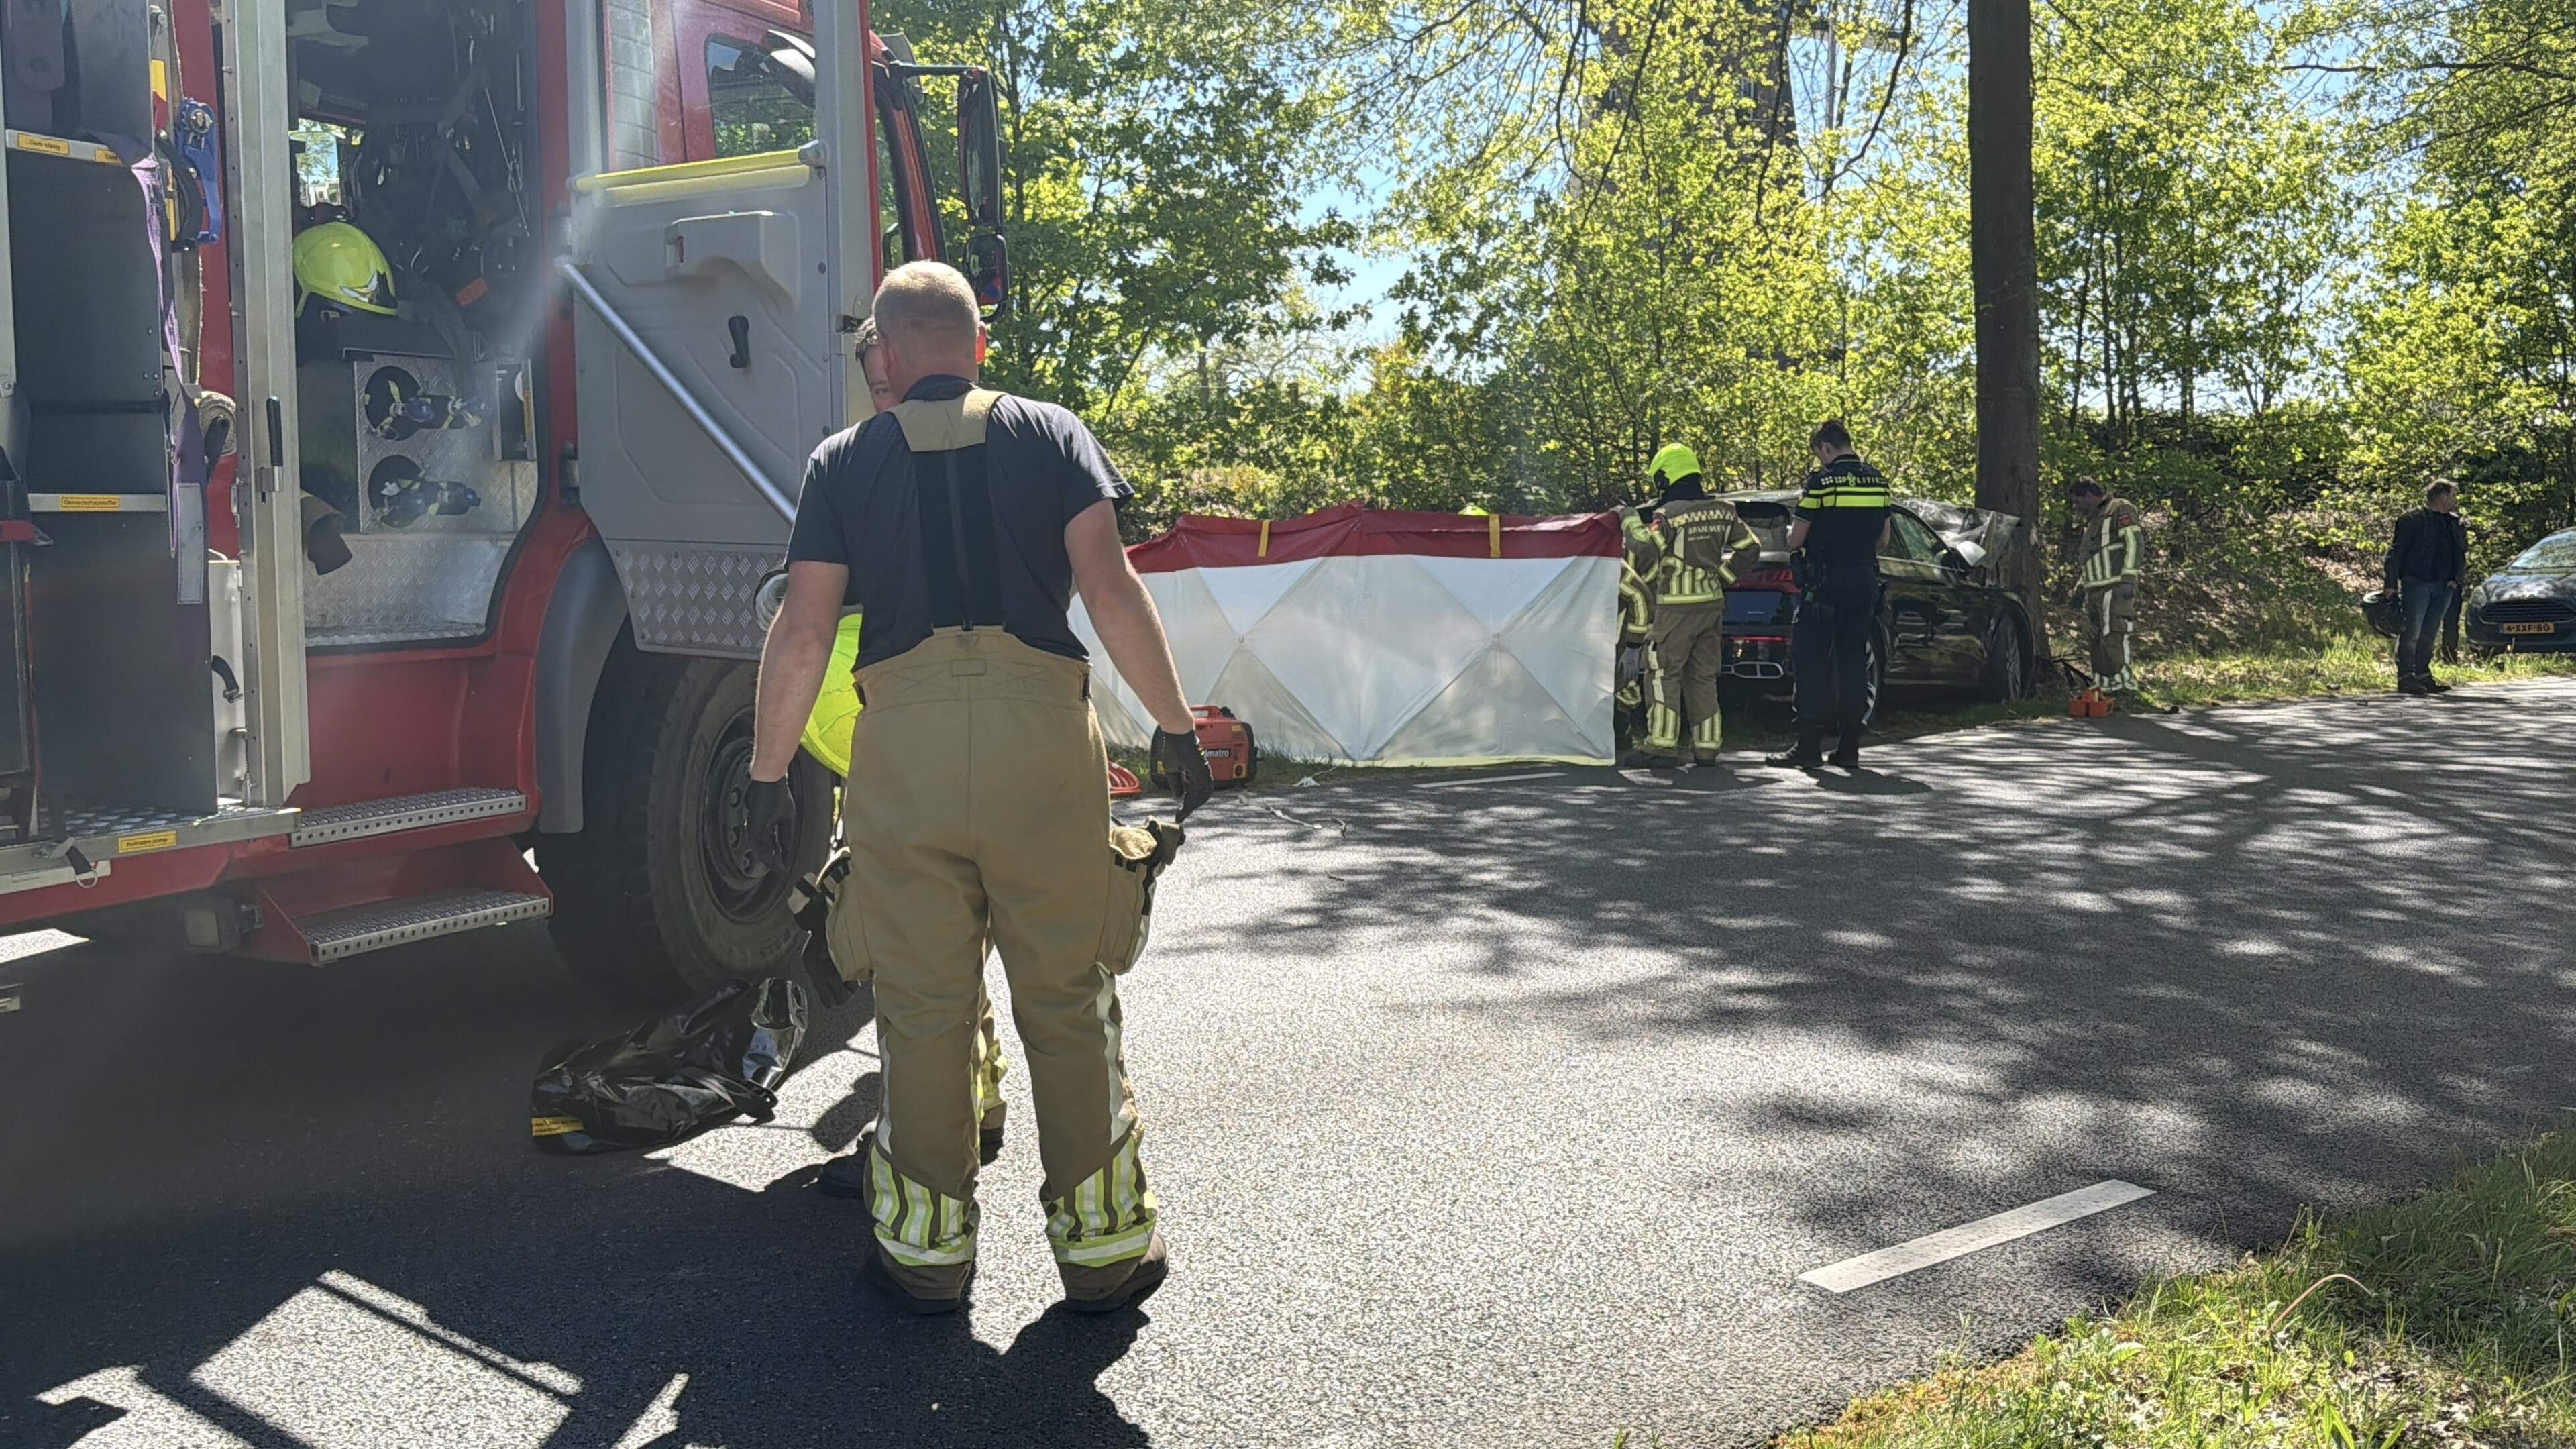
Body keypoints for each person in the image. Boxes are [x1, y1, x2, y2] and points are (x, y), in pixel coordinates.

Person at [744, 260, 1213, 1316]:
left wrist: (769, 774)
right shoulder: (1052, 434)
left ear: (889, 353)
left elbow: (805, 629)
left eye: (873, 350)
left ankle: (925, 1257)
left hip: (903, 749)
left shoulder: (840, 462)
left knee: (922, 1006)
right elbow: (1109, 586)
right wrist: (1176, 725)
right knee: (1067, 995)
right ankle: (1105, 1253)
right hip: (1040, 745)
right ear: (979, 348)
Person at [810, 315, 1010, 1191]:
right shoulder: (1004, 448)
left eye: (889, 379)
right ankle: (977, 1097)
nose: (885, 397)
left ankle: (917, 1156)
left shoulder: (880, 470)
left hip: (921, 735)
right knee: (955, 935)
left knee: (913, 954)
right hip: (957, 733)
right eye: (876, 385)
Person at [1766, 420, 1890, 771]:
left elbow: (1796, 539)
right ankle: (1849, 748)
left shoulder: (1821, 483)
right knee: (1853, 663)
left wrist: (1792, 536)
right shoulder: (1878, 482)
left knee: (1812, 663)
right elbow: (1883, 542)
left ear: (1825, 448)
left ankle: (1809, 746)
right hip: (1864, 581)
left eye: (1819, 454)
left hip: (1825, 584)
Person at [1624, 443, 1759, 767]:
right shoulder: (1724, 510)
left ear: (1665, 478)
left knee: (1662, 672)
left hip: (1676, 608)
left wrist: (1628, 519)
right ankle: (1707, 747)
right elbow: (1750, 549)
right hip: (1711, 607)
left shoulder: (1670, 514)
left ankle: (1660, 746)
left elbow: (1644, 547)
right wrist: (1721, 578)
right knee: (1703, 676)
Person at [2384, 480, 2467, 696]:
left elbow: (2460, 554)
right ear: (2442, 496)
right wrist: (2391, 584)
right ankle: (2406, 676)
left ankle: (2423, 675)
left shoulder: (2454, 523)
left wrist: (2456, 580)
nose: (2455, 500)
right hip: (2416, 583)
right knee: (2412, 631)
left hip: (2444, 586)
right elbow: (2396, 552)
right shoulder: (2411, 520)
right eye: (2453, 495)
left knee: (2430, 632)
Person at [2066, 476, 2144, 695]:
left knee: (2113, 638)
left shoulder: (2119, 509)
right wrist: (2079, 590)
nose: (2076, 507)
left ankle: (2125, 690)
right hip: (2093, 592)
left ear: (2089, 495)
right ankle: (2103, 691)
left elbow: (2134, 542)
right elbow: (2092, 560)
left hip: (2115, 588)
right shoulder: (2093, 523)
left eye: (2078, 501)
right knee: (2095, 642)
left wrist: (2128, 578)